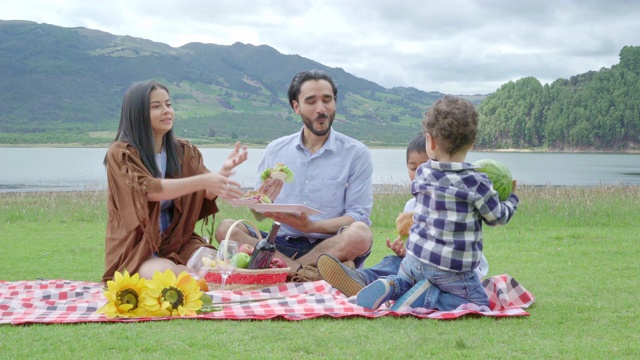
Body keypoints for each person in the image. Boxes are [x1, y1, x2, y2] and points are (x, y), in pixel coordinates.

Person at [356, 95, 519, 311]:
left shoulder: (423, 172)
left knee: (406, 278)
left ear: (430, 142)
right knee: (478, 304)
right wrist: (512, 198)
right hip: (452, 271)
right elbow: (497, 217)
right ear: (471, 143)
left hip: (413, 262)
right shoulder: (477, 182)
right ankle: (428, 299)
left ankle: (393, 285)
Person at [215, 70, 374, 280]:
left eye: (327, 100)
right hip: (280, 242)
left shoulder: (357, 153)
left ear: (335, 103)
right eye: (311, 101)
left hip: (329, 245)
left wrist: (312, 226)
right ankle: (305, 273)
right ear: (296, 106)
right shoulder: (276, 149)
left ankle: (282, 270)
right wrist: (263, 201)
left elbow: (357, 215)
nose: (321, 109)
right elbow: (259, 214)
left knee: (360, 233)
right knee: (226, 229)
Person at [102, 80, 248, 283]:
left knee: (216, 262)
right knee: (168, 274)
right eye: (156, 106)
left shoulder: (183, 151)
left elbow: (205, 192)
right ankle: (186, 272)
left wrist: (224, 172)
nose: (166, 111)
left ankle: (189, 271)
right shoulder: (121, 154)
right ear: (137, 114)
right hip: (138, 248)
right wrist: (204, 180)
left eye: (168, 104)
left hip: (178, 242)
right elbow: (149, 190)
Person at [317, 132, 491, 296]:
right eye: (412, 168)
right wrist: (403, 251)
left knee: (409, 272)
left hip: (456, 271)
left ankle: (396, 289)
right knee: (392, 261)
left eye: (424, 167)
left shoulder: (454, 200)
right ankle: (362, 278)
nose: (418, 175)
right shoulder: (411, 205)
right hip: (421, 267)